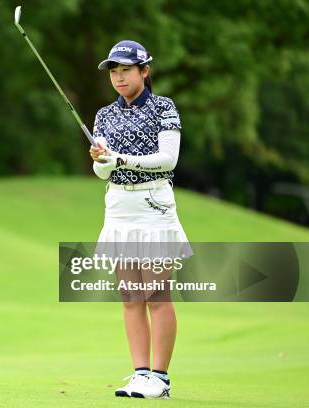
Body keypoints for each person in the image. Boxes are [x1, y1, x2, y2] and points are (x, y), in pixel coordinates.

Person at [90, 40, 191, 399]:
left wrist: (120, 160)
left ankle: (160, 379)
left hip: (153, 204)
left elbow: (168, 159)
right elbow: (103, 172)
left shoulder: (164, 108)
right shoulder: (104, 115)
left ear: (144, 71)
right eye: (114, 72)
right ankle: (140, 374)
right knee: (131, 297)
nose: (119, 78)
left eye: (126, 70)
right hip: (118, 206)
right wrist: (101, 160)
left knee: (156, 295)